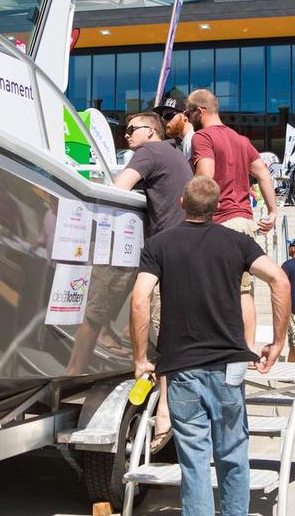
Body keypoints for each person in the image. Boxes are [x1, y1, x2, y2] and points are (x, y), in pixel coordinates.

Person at [130, 175, 292, 516]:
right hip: (229, 365)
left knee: (194, 461)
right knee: (233, 454)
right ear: (217, 208)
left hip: (182, 365)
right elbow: (280, 279)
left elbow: (140, 298)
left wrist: (141, 357)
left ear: (181, 204)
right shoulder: (236, 243)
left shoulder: (159, 245)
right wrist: (277, 342)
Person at [110, 111, 192, 448]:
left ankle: (165, 415)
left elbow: (117, 188)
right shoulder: (174, 154)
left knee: (160, 330)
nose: (126, 136)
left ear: (151, 131)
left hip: (167, 252)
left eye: (131, 130)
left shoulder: (149, 152)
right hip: (186, 247)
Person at [186, 88, 277, 349]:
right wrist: (272, 212)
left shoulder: (202, 137)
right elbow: (263, 174)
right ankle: (246, 347)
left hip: (221, 221)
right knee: (243, 291)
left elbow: (206, 175)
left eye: (189, 112)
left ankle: (228, 347)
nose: (188, 117)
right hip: (245, 222)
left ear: (200, 111)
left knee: (217, 290)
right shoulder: (241, 140)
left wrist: (189, 204)